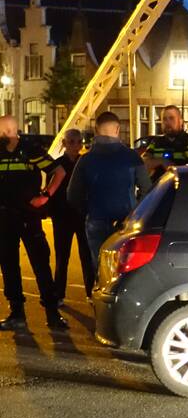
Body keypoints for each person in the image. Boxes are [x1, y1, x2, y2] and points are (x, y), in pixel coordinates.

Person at [0, 115, 67, 330]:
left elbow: (59, 172)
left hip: (28, 216)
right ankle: (16, 312)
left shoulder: (31, 150)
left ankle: (52, 312)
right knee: (8, 264)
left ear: (8, 130)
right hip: (4, 217)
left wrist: (45, 195)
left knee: (40, 263)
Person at [67, 112, 152, 271]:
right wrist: (135, 212)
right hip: (125, 222)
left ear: (96, 130)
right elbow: (147, 189)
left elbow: (73, 195)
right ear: (118, 129)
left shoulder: (86, 160)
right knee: (124, 269)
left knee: (101, 268)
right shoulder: (132, 157)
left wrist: (89, 209)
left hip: (96, 220)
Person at [51, 129, 94, 304]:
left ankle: (90, 292)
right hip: (62, 216)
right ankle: (59, 293)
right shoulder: (58, 165)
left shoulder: (85, 164)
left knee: (86, 255)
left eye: (78, 142)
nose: (76, 146)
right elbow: (52, 190)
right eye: (71, 142)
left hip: (82, 215)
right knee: (62, 256)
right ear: (64, 143)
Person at [136, 105, 188, 178]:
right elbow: (143, 163)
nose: (168, 122)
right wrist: (161, 161)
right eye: (164, 119)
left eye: (171, 118)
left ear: (181, 121)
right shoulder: (156, 143)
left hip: (184, 188)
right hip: (160, 188)